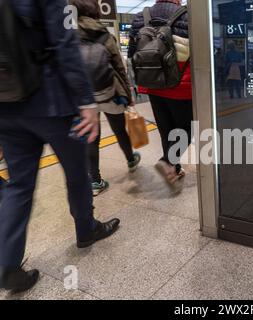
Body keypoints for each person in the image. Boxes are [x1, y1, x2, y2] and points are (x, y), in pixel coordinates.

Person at [0, 0, 120, 293]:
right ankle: (86, 228)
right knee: (77, 171)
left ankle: (7, 265)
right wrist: (86, 100)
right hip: (54, 103)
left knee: (18, 186)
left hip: (7, 105)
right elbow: (65, 42)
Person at [71, 0, 141, 196]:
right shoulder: (104, 35)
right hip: (109, 92)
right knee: (119, 129)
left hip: (83, 97)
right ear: (96, 12)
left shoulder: (68, 34)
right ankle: (131, 159)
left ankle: (95, 180)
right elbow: (119, 67)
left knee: (91, 137)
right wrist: (129, 95)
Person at [128, 0, 192, 187]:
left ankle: (175, 168)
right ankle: (168, 161)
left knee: (166, 129)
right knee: (187, 128)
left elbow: (133, 53)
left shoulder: (141, 17)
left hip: (153, 83)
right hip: (181, 84)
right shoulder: (187, 16)